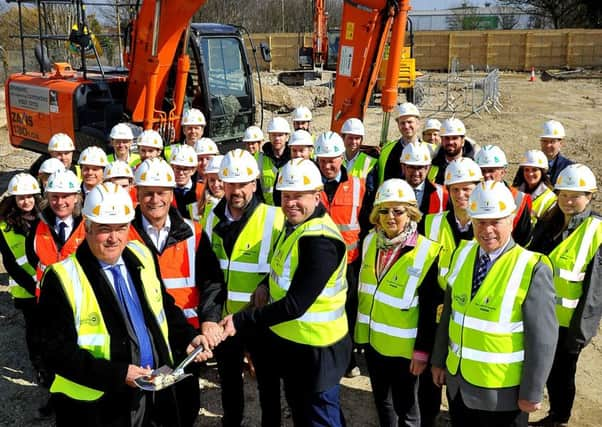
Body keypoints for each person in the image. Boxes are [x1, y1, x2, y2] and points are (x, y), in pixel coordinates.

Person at [37, 182, 212, 426]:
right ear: (86, 227)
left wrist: (188, 337)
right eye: (104, 229)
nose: (114, 238)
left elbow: (164, 307)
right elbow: (55, 352)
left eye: (121, 228)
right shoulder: (62, 278)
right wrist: (119, 374)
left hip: (153, 390)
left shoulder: (141, 255)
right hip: (100, 405)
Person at [221, 158, 351, 427]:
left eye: (298, 196)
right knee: (302, 413)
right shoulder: (296, 227)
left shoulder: (320, 241)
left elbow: (295, 305)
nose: (290, 203)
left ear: (317, 196)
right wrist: (265, 285)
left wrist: (240, 320)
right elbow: (282, 269)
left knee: (320, 418)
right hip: (296, 346)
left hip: (319, 350)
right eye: (286, 195)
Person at [431, 181, 558, 427]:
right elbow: (450, 313)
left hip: (503, 395)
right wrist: (439, 360)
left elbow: (542, 339)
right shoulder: (462, 253)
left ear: (511, 219)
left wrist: (532, 392)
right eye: (480, 221)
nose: (487, 230)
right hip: (459, 385)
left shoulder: (532, 267)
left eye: (495, 221)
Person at [199, 149, 285, 427]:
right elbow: (210, 274)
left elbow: (284, 266)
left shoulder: (275, 218)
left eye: (243, 183)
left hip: (260, 319)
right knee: (229, 383)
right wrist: (210, 318)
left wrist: (264, 284)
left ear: (254, 183)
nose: (236, 190)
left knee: (268, 385)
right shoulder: (212, 218)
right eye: (230, 183)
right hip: (225, 321)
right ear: (221, 184)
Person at [355, 178, 442, 427]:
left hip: (405, 351)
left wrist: (422, 351)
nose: (390, 217)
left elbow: (428, 310)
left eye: (398, 211)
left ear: (411, 214)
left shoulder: (428, 252)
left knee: (408, 409)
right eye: (384, 210)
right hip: (374, 343)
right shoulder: (370, 241)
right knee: (382, 403)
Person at [528, 164, 602, 427]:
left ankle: (559, 417)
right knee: (539, 369)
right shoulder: (550, 221)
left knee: (561, 373)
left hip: (566, 324)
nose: (568, 201)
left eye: (575, 196)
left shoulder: (596, 231)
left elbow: (594, 292)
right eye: (563, 195)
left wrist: (579, 334)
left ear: (589, 196)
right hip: (537, 317)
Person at [419, 158, 483, 426]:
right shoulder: (431, 223)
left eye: (467, 189)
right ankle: (427, 416)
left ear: (478, 189)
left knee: (462, 376)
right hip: (436, 308)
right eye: (455, 189)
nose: (460, 195)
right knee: (429, 378)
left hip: (471, 313)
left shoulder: (487, 227)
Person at [314, 131, 372, 378]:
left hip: (348, 263)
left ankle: (347, 360)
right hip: (317, 263)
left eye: (333, 159)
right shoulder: (310, 187)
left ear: (341, 158)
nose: (328, 165)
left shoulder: (358, 186)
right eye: (323, 160)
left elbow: (367, 223)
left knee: (347, 311)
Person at [129, 158, 203, 330]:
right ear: (137, 193)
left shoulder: (194, 232)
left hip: (188, 331)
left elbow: (210, 282)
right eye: (148, 193)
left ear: (171, 194)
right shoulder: (123, 234)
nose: (155, 199)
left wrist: (209, 320)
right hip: (144, 331)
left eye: (161, 192)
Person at [0, 174, 44, 400]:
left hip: (49, 288)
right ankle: (39, 368)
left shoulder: (45, 218)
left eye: (29, 197)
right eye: (21, 197)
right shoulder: (5, 225)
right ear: (14, 199)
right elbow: (10, 263)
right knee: (34, 331)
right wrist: (34, 285)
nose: (26, 201)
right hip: (26, 290)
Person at [26, 170, 86, 285]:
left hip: (80, 298)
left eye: (65, 196)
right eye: (55, 196)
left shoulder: (88, 227)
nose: (60, 202)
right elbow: (32, 258)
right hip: (48, 298)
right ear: (47, 197)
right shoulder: (37, 226)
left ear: (76, 197)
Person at [475, 145, 533, 246]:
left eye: (491, 170)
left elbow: (524, 240)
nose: (486, 175)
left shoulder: (518, 199)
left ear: (503, 172)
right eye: (482, 170)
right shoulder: (469, 196)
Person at [401, 142, 449, 218]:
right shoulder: (391, 191)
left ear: (428, 168)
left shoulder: (442, 194)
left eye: (420, 167)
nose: (416, 173)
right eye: (411, 167)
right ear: (403, 167)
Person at [378, 102, 421, 184]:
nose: (406, 126)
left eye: (409, 122)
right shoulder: (386, 151)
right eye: (402, 123)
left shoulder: (429, 151)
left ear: (418, 123)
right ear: (398, 124)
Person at [512, 150, 557, 225]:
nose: (530, 173)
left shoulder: (551, 198)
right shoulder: (514, 191)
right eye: (526, 170)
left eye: (535, 170)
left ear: (542, 172)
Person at [428, 118, 479, 185]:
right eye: (447, 138)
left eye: (455, 138)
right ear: (441, 140)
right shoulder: (433, 164)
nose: (450, 142)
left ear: (463, 141)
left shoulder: (475, 165)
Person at [257, 117, 291, 205]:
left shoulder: (293, 159)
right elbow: (256, 190)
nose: (277, 138)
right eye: (274, 135)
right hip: (266, 210)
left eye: (280, 135)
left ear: (287, 137)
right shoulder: (260, 159)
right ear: (269, 136)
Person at [169, 144, 204, 219]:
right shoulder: (165, 191)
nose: (181, 173)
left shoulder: (202, 191)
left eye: (185, 169)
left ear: (193, 170)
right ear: (172, 168)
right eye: (178, 168)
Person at [193, 154, 224, 224]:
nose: (216, 185)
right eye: (212, 180)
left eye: (220, 180)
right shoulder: (198, 207)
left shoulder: (234, 207)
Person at [539, 120, 573, 184]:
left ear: (561, 143)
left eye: (552, 141)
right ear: (540, 142)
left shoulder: (569, 168)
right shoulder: (530, 165)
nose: (548, 145)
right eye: (545, 141)